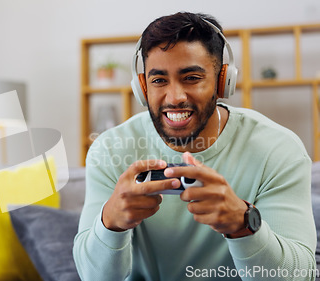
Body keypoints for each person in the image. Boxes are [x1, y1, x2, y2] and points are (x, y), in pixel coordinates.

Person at [73, 12, 317, 281]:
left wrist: (243, 225)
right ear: (142, 87)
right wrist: (111, 223)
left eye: (191, 78)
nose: (175, 97)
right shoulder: (110, 150)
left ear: (222, 81)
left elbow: (300, 276)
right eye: (159, 80)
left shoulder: (278, 149)